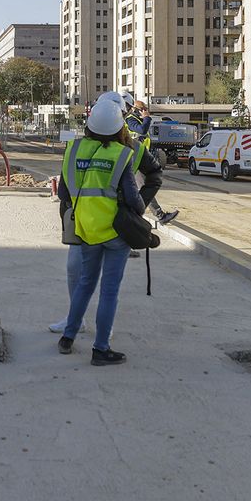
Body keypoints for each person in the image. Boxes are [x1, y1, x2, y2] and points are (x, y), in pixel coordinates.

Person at [54, 97, 145, 365]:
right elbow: (133, 199)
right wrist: (140, 211)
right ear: (119, 128)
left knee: (85, 284)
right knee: (109, 291)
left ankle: (68, 337)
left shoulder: (73, 150)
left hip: (86, 230)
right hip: (115, 233)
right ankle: (101, 349)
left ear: (89, 125)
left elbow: (63, 194)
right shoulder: (121, 154)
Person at [118, 91, 178, 226]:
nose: (145, 111)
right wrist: (147, 118)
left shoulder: (130, 119)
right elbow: (142, 130)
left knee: (142, 186)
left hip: (137, 157)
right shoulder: (131, 119)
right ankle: (158, 215)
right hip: (133, 158)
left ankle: (155, 214)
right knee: (144, 185)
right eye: (143, 109)